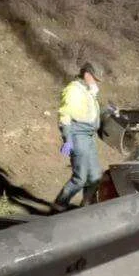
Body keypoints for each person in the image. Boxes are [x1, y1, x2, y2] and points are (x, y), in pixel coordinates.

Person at [53, 61, 104, 211]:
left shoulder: (86, 91)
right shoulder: (74, 90)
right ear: (87, 75)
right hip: (78, 135)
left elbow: (90, 114)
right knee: (80, 178)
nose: (96, 83)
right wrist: (67, 139)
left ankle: (85, 209)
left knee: (95, 176)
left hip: (89, 136)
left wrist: (107, 110)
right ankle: (57, 207)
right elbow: (65, 116)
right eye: (94, 79)